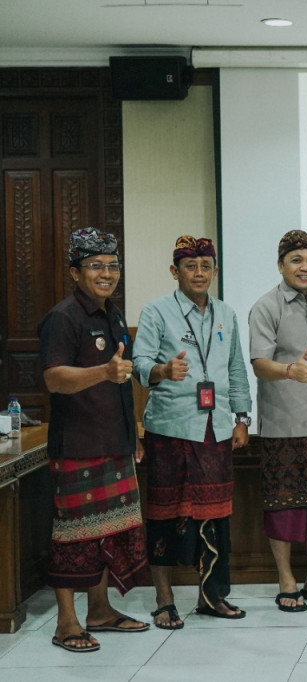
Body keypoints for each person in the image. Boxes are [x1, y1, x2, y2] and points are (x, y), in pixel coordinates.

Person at [38, 228, 149, 652]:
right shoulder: (63, 317)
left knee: (108, 533)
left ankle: (99, 612)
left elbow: (122, 382)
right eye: (96, 266)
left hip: (114, 442)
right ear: (75, 272)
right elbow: (53, 378)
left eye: (112, 265)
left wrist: (132, 433)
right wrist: (101, 372)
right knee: (73, 536)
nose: (107, 274)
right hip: (78, 445)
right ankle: (66, 623)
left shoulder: (113, 315)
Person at [133, 236, 252, 627]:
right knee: (164, 514)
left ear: (214, 272)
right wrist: (163, 371)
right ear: (175, 271)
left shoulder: (226, 314)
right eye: (190, 266)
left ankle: (211, 596)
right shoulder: (156, 311)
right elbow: (140, 363)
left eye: (205, 267)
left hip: (215, 428)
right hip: (170, 426)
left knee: (216, 515)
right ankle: (164, 599)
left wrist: (241, 417)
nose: (199, 273)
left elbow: (236, 367)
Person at [249, 230, 307, 612]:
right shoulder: (266, 306)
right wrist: (289, 370)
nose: (305, 267)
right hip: (283, 425)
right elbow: (259, 364)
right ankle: (286, 579)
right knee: (284, 506)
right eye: (297, 260)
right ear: (280, 265)